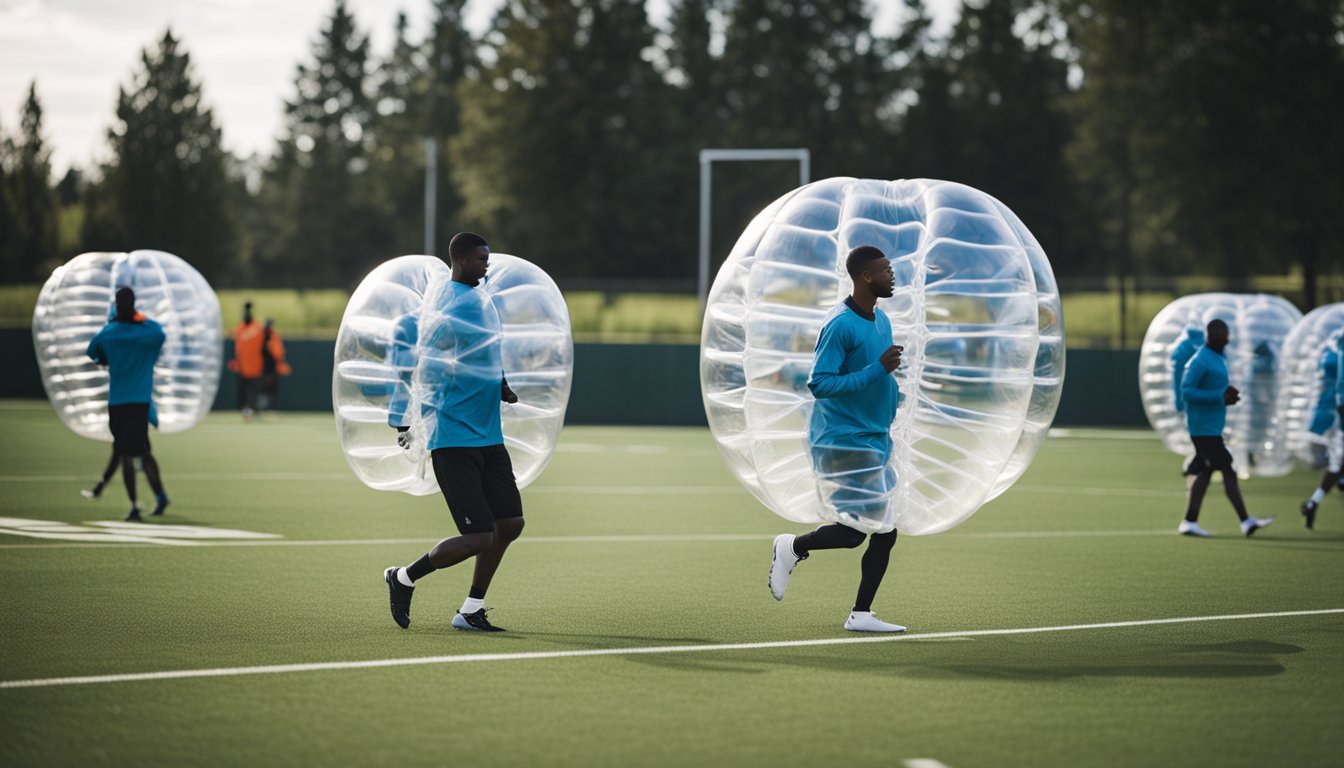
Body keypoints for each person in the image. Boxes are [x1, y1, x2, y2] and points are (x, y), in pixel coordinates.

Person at [382, 232, 523, 633]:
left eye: (487, 259)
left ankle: (470, 610)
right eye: (480, 259)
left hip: (488, 435)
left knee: (510, 523)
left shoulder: (480, 302)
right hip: (453, 437)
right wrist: (405, 418)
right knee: (479, 535)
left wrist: (501, 385)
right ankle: (404, 577)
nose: (486, 265)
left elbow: (484, 351)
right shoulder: (444, 305)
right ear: (459, 259)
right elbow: (419, 362)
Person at [767, 245, 906, 633]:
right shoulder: (840, 324)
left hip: (874, 436)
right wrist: (878, 370)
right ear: (865, 276)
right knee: (875, 529)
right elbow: (820, 384)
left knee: (865, 532)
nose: (892, 275)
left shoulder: (882, 320)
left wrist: (897, 399)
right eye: (885, 269)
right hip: (842, 439)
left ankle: (858, 610)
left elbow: (880, 379)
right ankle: (793, 549)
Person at [1177, 318, 1275, 538]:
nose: (1226, 339)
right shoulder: (1200, 360)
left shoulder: (1217, 358)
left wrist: (1226, 396)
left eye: (1226, 335)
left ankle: (1189, 521)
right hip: (1203, 428)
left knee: (1206, 470)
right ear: (1210, 336)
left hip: (1211, 427)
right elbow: (1187, 391)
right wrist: (1218, 396)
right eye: (1221, 335)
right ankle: (1245, 521)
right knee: (1228, 469)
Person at [85, 287, 170, 522]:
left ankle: (134, 506)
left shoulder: (109, 333)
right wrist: (139, 319)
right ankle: (159, 495)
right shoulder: (146, 332)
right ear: (134, 306)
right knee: (140, 451)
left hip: (118, 403)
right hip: (138, 402)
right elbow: (160, 333)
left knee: (126, 453)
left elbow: (92, 351)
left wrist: (107, 354)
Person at [1300, 333, 1344, 528]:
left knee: (1337, 463)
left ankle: (1313, 502)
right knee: (1337, 463)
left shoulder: (1334, 344)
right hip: (1339, 406)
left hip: (1338, 405)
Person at [1170, 325, 1205, 475]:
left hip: (1193, 402)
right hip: (1199, 403)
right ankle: (1196, 464)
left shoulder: (1183, 348)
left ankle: (1196, 464)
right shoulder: (1202, 351)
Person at [229, 302, 264, 421]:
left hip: (255, 366)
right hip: (244, 367)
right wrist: (236, 362)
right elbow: (237, 348)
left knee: (253, 390)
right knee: (245, 391)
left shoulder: (256, 327)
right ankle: (247, 410)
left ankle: (253, 409)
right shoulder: (241, 328)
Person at [257, 318, 292, 414]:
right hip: (261, 367)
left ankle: (270, 408)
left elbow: (278, 353)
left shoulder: (273, 337)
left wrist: (280, 363)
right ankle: (261, 408)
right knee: (262, 388)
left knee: (271, 388)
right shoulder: (260, 336)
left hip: (271, 367)